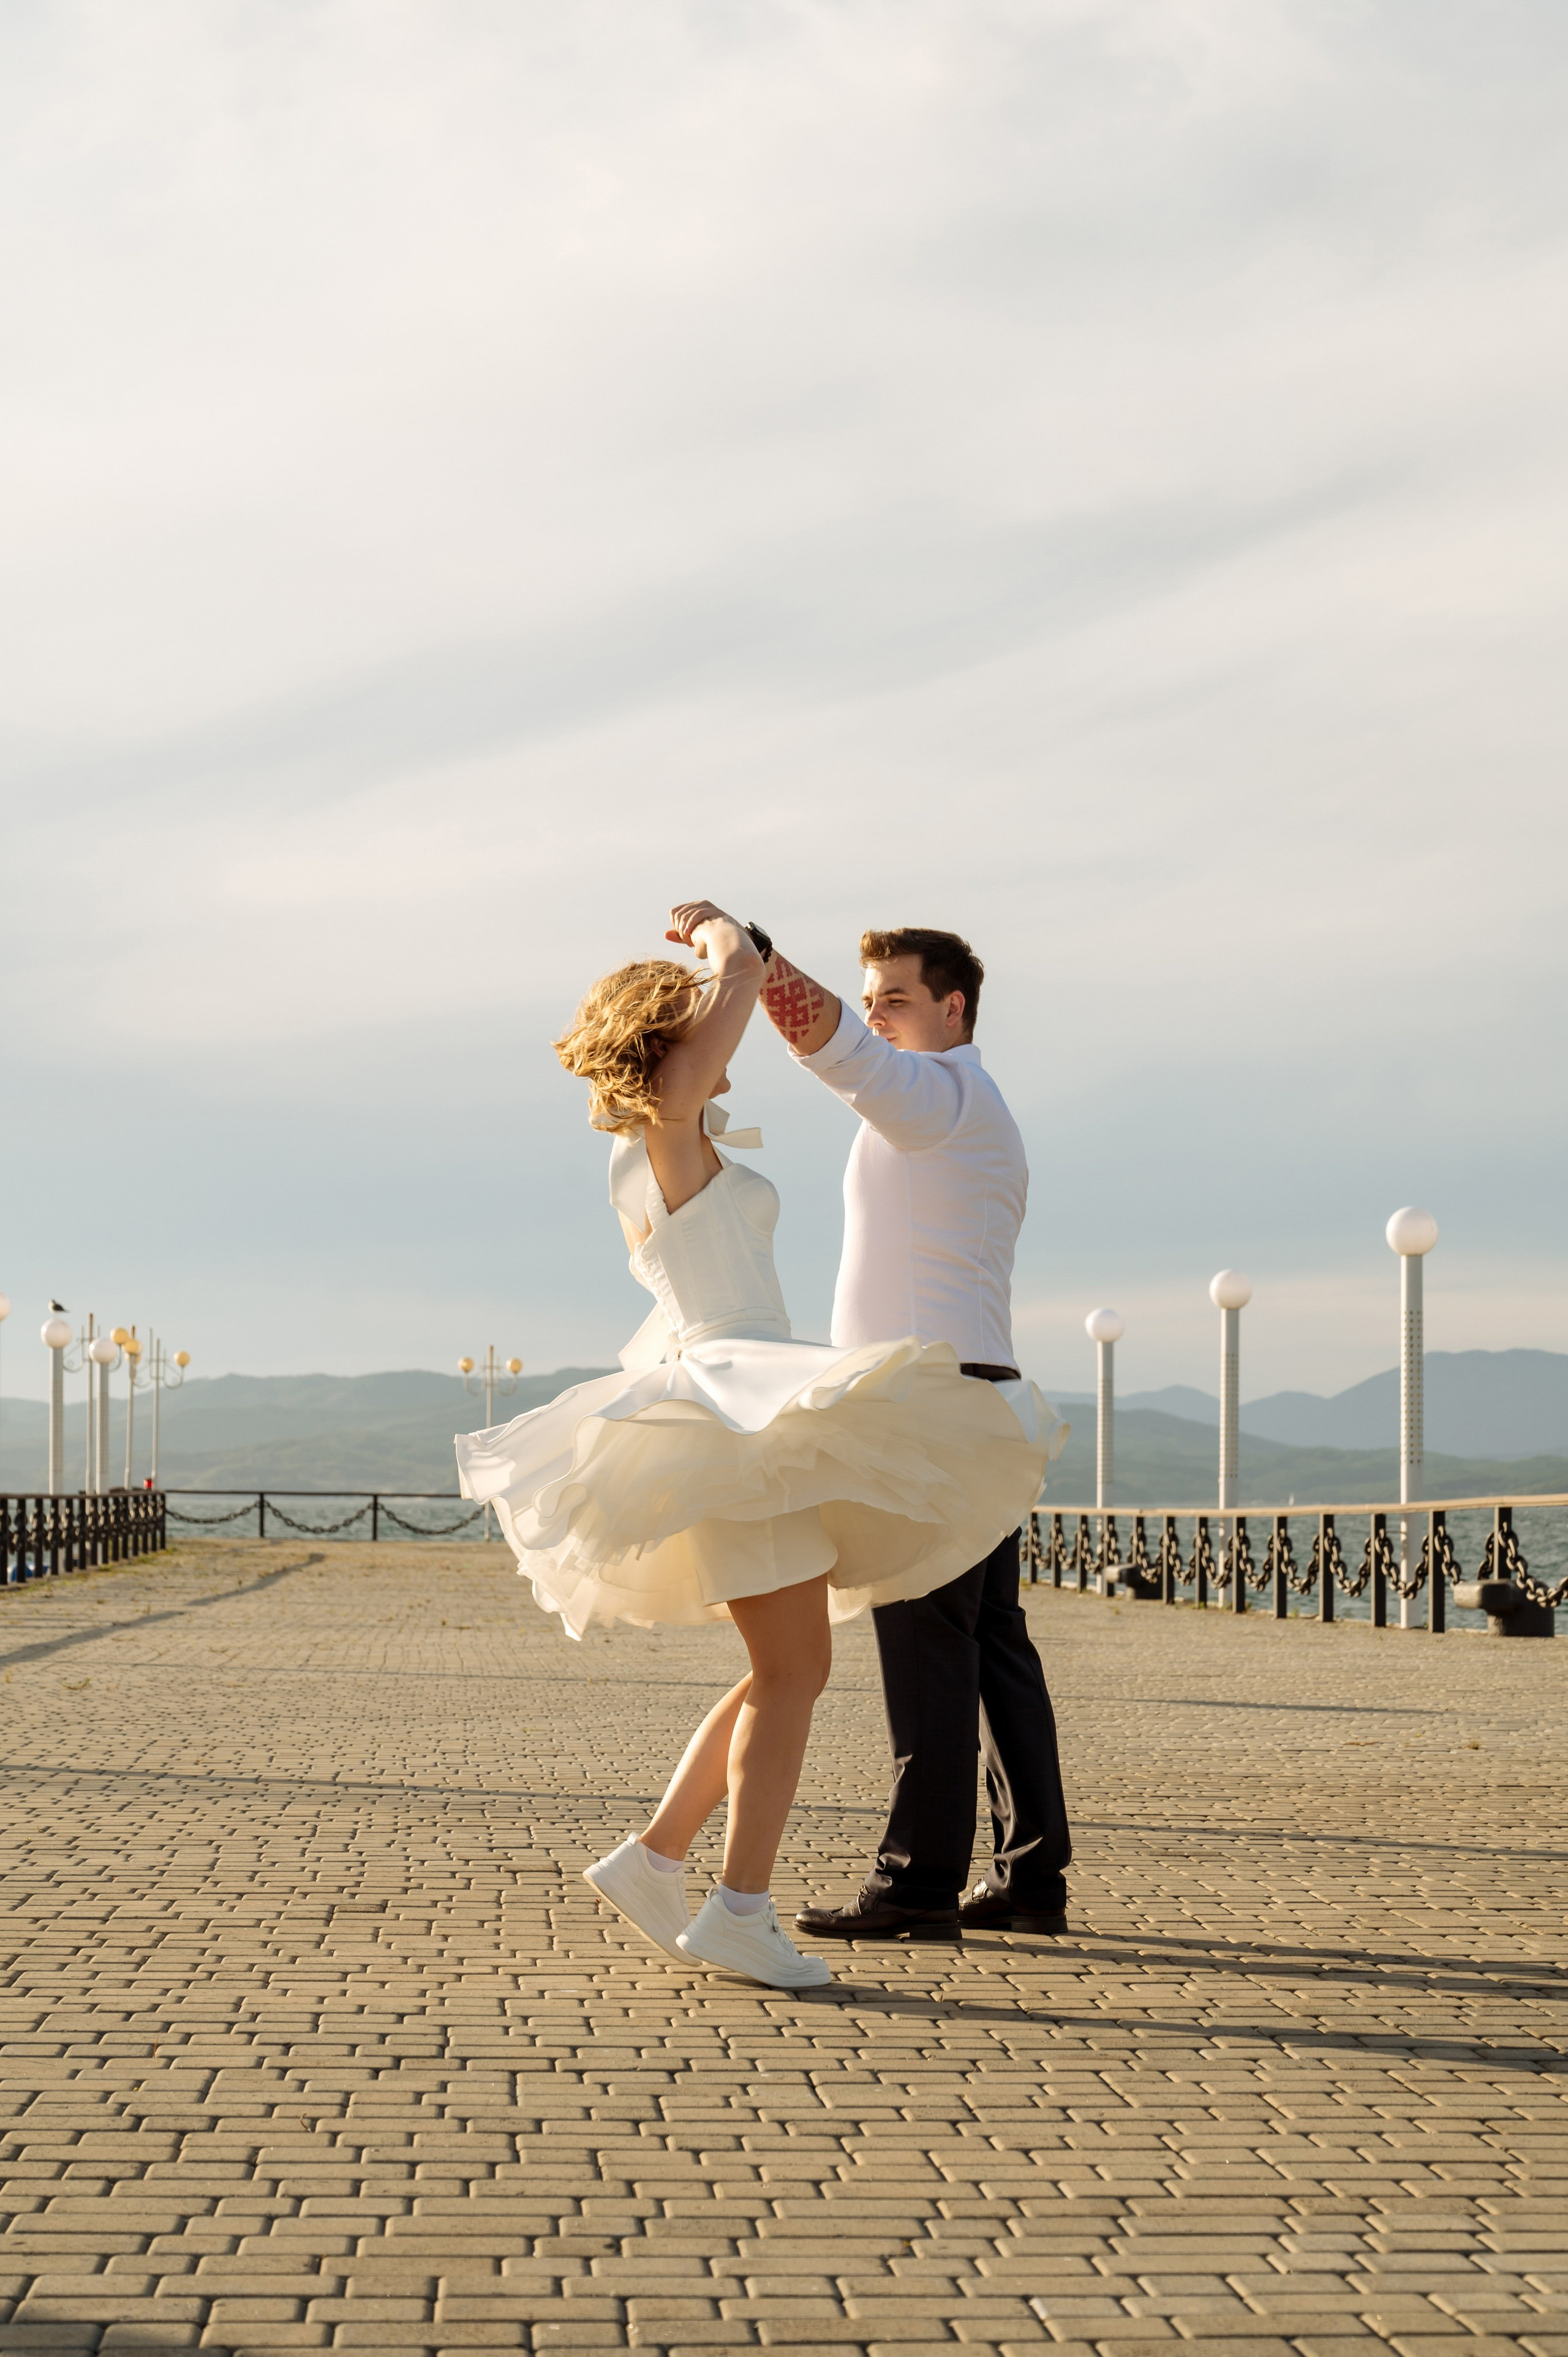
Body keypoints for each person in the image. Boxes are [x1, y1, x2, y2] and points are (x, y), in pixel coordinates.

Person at [457, 906, 1060, 1993]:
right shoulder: (670, 1129)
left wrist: (740, 972)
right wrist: (735, 953)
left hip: (753, 1402)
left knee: (783, 1669)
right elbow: (732, 1044)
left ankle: (657, 1858)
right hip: (739, 1410)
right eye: (700, 1030)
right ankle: (737, 1909)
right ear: (672, 1044)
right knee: (794, 1674)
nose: (721, 1042)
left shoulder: (682, 1139)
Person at [723, 908, 1075, 1940]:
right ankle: (1030, 1879)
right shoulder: (965, 1105)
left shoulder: (940, 1094)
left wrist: (754, 957)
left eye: (896, 998)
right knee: (991, 1645)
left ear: (952, 1007)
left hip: (930, 1408)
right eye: (870, 995)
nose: (874, 1015)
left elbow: (825, 1041)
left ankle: (919, 1884)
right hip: (974, 1399)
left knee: (927, 1644)